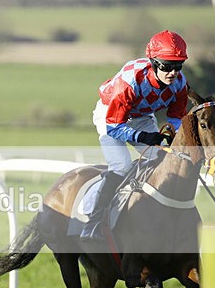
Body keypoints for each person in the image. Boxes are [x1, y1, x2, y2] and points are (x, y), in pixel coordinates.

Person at [80, 30, 190, 241]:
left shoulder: (179, 83)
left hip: (140, 115)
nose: (172, 73)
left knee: (160, 160)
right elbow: (114, 126)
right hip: (110, 116)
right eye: (166, 66)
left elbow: (177, 117)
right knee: (121, 166)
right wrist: (143, 137)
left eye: (178, 66)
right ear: (153, 63)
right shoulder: (130, 83)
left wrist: (171, 131)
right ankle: (93, 221)